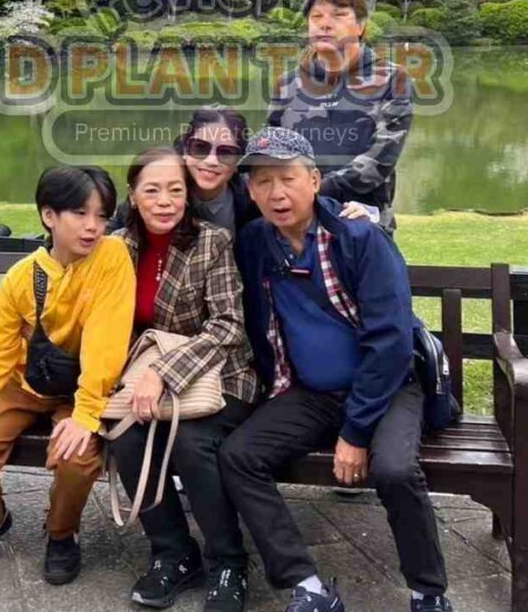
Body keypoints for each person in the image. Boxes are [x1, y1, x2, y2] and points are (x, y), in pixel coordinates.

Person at [220, 126, 452, 612]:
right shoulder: (255, 242)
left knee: (394, 469)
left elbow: (390, 343)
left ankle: (427, 591)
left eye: (288, 178)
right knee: (239, 456)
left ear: (314, 180)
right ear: (249, 190)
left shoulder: (359, 237)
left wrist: (356, 430)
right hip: (310, 393)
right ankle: (306, 585)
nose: (277, 193)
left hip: (388, 388)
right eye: (262, 181)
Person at [0, 166, 136, 585]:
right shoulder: (21, 277)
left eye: (102, 215)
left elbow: (106, 342)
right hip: (25, 384)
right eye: (80, 213)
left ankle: (62, 532)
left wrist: (86, 414)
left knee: (76, 460)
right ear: (49, 215)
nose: (93, 226)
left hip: (82, 388)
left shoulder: (112, 258)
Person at [109, 146, 258, 612]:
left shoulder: (212, 242)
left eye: (175, 190)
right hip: (144, 380)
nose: (165, 201)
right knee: (127, 437)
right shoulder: (116, 248)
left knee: (192, 444)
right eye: (152, 190)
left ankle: (229, 561)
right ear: (133, 195)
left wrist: (165, 372)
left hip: (221, 376)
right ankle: (173, 554)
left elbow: (229, 327)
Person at [268, 0, 413, 232]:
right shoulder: (288, 83)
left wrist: (313, 190)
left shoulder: (392, 79)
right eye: (316, 16)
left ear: (361, 25)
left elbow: (381, 158)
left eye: (338, 15)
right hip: (296, 224)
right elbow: (271, 149)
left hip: (363, 221)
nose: (325, 24)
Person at [107, 106, 377, 238]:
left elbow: (308, 200)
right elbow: (111, 231)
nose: (211, 161)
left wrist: (364, 213)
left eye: (226, 152)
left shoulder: (256, 191)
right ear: (186, 149)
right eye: (201, 147)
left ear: (239, 160)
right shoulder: (162, 187)